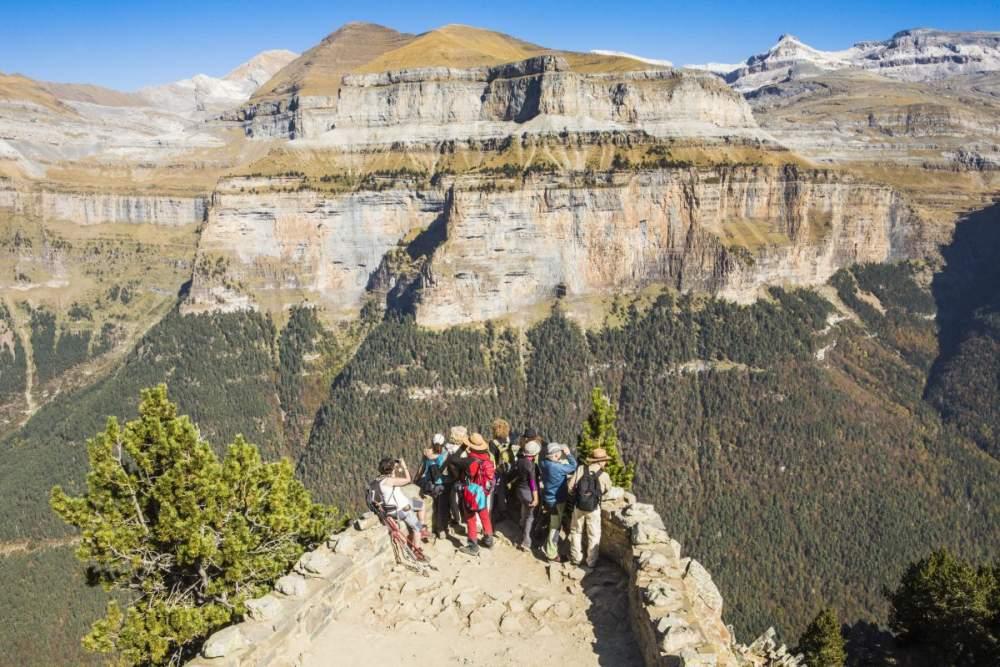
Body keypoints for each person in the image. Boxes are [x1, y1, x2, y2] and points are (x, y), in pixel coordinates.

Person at [567, 447, 613, 569]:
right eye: (605, 460)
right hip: (594, 508)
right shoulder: (604, 475)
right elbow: (608, 491)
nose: (605, 462)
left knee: (576, 532)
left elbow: (570, 487)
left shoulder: (581, 469)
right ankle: (591, 561)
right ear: (601, 461)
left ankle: (576, 558)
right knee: (594, 534)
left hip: (579, 506)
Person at [452, 433, 496, 556]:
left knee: (470, 518)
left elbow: (453, 460)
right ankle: (488, 539)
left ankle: (473, 546)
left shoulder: (469, 460)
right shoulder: (487, 458)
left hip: (470, 492)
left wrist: (462, 447)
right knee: (484, 515)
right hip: (483, 491)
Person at [376, 456, 429, 542]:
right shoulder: (390, 481)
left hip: (400, 504)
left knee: (421, 504)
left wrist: (394, 467)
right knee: (417, 528)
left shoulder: (380, 479)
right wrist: (404, 466)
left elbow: (392, 478)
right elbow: (408, 479)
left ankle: (422, 528)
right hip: (402, 509)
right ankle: (416, 551)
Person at [538, 442, 577, 561]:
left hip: (548, 498)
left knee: (552, 522)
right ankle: (552, 554)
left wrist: (559, 459)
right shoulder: (557, 467)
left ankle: (546, 544)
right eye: (559, 452)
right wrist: (569, 454)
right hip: (557, 501)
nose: (561, 454)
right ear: (555, 455)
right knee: (555, 527)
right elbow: (573, 466)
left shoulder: (544, 463)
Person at [416, 434, 450, 539]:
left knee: (429, 506)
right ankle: (441, 530)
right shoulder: (445, 454)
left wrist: (416, 480)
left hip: (429, 485)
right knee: (442, 507)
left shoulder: (427, 454)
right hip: (441, 484)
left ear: (432, 442)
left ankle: (428, 529)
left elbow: (421, 469)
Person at [513, 439, 541, 551]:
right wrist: (536, 498)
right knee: (531, 516)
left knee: (524, 509)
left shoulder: (520, 460)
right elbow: (533, 483)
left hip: (519, 490)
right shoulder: (531, 466)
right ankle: (526, 541)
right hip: (528, 492)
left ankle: (521, 526)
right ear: (535, 454)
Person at [488, 418, 514, 522]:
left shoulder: (493, 443)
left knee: (494, 491)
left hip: (497, 470)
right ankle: (503, 509)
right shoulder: (508, 442)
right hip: (507, 469)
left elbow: (491, 458)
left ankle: (493, 511)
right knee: (503, 489)